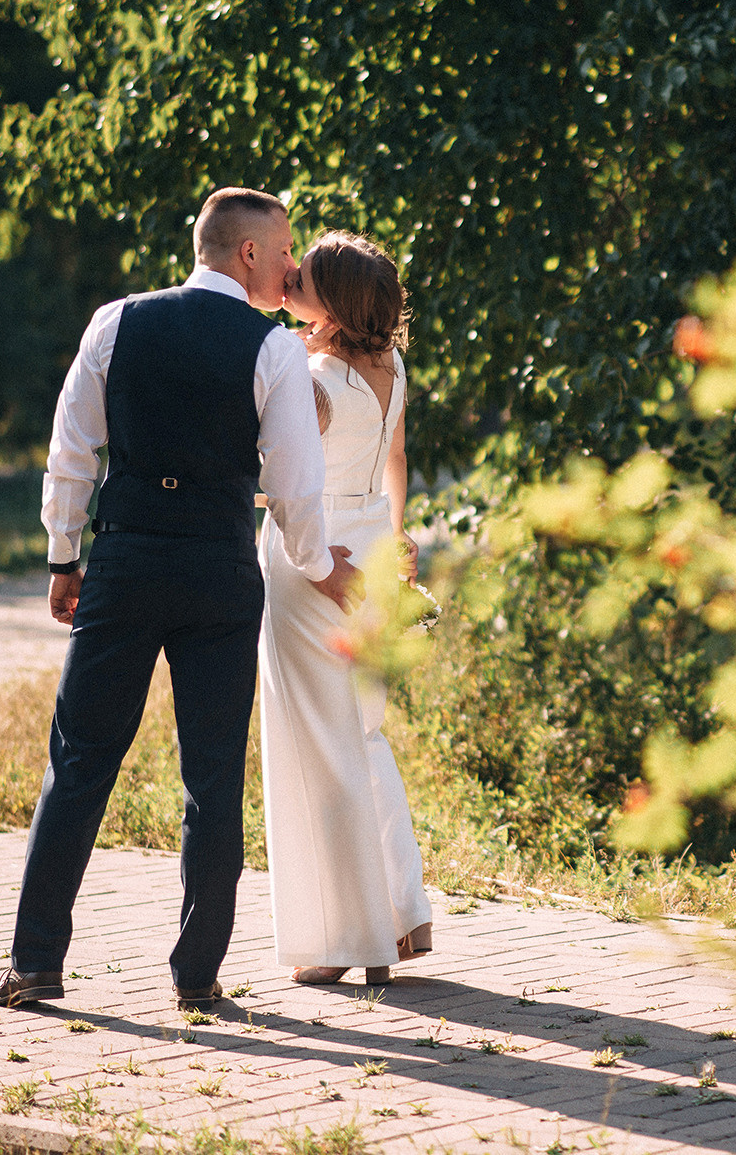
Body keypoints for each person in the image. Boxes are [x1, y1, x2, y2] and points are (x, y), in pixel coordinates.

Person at [0, 187, 360, 1011]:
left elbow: (72, 446)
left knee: (80, 760)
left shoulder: (115, 321)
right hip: (220, 573)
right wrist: (315, 561)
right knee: (212, 775)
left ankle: (35, 960)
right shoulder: (269, 353)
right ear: (250, 254)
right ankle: (197, 976)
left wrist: (62, 555)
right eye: (287, 246)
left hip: (124, 559)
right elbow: (295, 486)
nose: (295, 262)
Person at [259, 230, 433, 986]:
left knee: (312, 747)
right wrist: (397, 538)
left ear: (331, 304)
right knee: (363, 735)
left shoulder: (316, 381)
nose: (290, 279)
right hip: (371, 547)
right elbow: (394, 459)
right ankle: (400, 913)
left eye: (306, 279)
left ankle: (338, 936)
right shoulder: (390, 366)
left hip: (316, 560)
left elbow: (273, 479)